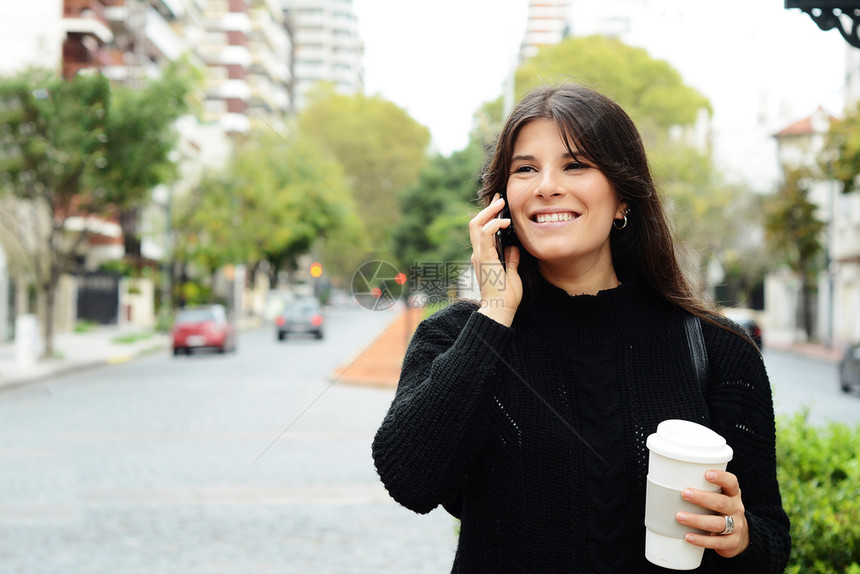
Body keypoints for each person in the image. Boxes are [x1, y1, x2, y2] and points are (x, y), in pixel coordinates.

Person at [372, 83, 790, 573]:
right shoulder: (459, 336)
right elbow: (411, 481)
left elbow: (770, 544)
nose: (547, 185)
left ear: (623, 199)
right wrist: (495, 311)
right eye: (525, 168)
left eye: (576, 165)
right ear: (502, 203)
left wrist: (736, 535)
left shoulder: (718, 349)